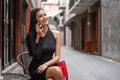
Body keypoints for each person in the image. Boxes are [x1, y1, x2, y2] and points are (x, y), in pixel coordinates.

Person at [26, 8, 63, 80]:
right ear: (35, 20)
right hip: (36, 70)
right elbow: (37, 56)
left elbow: (57, 57)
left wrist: (45, 65)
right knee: (56, 71)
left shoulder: (56, 34)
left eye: (45, 15)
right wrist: (41, 36)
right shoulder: (31, 35)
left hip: (48, 67)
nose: (44, 17)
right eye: (40, 16)